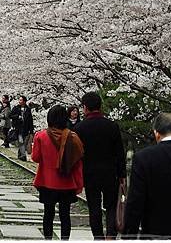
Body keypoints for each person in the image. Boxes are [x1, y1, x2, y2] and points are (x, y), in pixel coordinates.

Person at [73, 92, 126, 240]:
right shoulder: (112, 126)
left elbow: (76, 154)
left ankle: (98, 237)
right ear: (100, 106)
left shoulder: (79, 128)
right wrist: (122, 175)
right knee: (111, 206)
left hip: (89, 173)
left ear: (85, 108)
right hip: (110, 172)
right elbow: (119, 153)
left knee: (94, 207)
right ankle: (110, 235)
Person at [123, 113, 171, 239]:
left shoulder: (145, 157)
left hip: (156, 231)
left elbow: (135, 201)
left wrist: (128, 235)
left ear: (157, 133)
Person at [32, 105, 84, 240]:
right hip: (67, 183)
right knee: (65, 215)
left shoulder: (41, 136)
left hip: (47, 182)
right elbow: (78, 162)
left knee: (48, 214)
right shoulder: (73, 138)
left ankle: (48, 239)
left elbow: (35, 157)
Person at [10, 95, 34, 161]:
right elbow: (10, 115)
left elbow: (30, 120)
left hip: (26, 128)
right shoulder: (16, 108)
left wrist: (31, 130)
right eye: (19, 100)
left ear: (24, 101)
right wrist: (17, 116)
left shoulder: (28, 109)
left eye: (21, 100)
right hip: (18, 128)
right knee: (21, 141)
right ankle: (23, 155)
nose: (19, 101)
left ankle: (20, 155)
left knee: (23, 142)